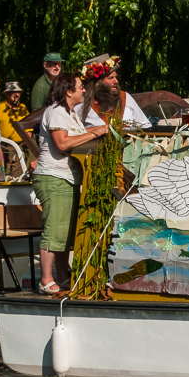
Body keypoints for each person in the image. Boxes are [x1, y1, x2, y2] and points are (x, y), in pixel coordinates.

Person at [33, 72, 108, 295]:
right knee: (54, 229)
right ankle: (45, 280)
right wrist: (94, 135)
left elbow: (78, 133)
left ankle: (62, 276)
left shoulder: (70, 113)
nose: (84, 90)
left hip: (66, 177)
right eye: (80, 86)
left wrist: (101, 129)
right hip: (53, 177)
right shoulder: (56, 111)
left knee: (65, 231)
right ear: (68, 91)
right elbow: (63, 143)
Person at [75, 54, 151, 128]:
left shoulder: (125, 97)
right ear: (97, 82)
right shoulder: (83, 103)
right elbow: (74, 132)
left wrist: (129, 129)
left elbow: (146, 125)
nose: (116, 81)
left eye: (115, 77)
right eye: (111, 78)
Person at [0, 81, 30, 178]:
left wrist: (27, 142)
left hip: (20, 146)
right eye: (13, 92)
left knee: (18, 176)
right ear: (7, 94)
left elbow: (29, 128)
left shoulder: (23, 108)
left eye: (18, 92)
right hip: (3, 147)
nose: (16, 94)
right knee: (2, 175)